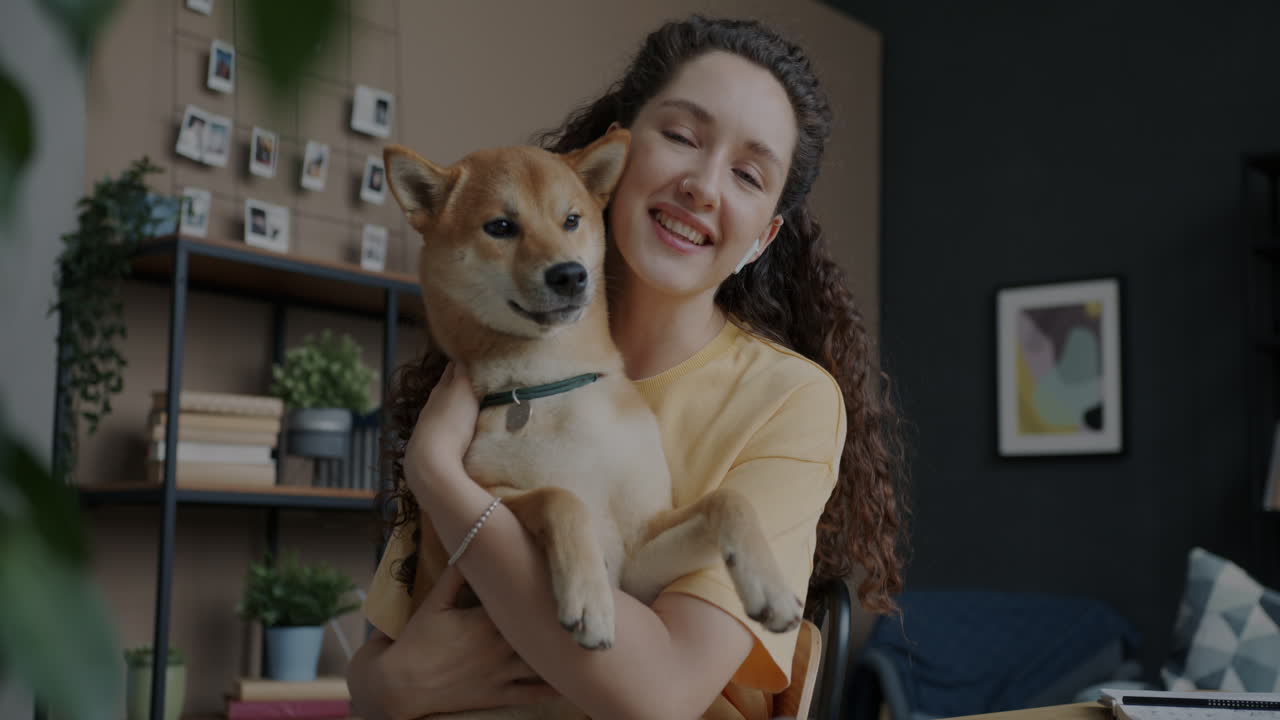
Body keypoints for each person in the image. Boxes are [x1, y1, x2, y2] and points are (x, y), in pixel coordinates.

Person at [347, 15, 909, 720]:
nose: (704, 185)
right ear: (614, 155)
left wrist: (439, 478)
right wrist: (397, 686)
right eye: (681, 136)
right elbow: (380, 665)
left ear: (762, 236)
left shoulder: (785, 399)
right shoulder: (490, 362)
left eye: (747, 173)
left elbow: (658, 693)